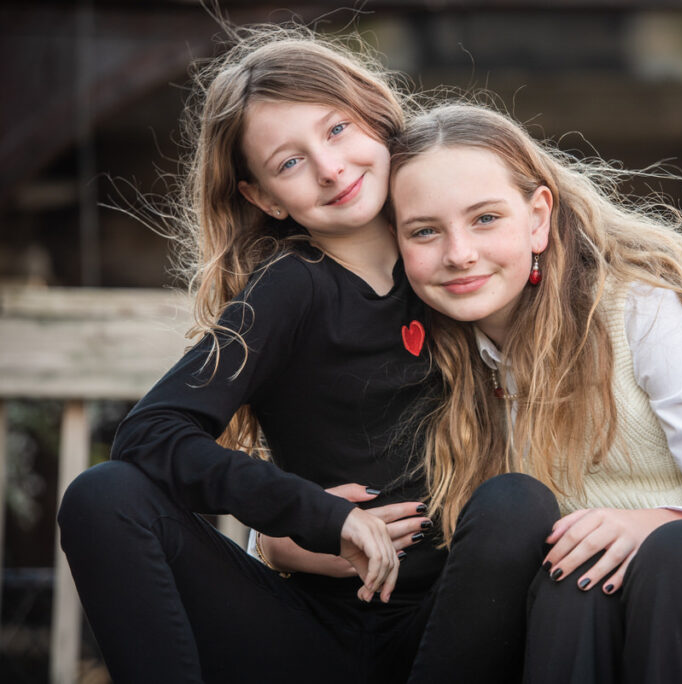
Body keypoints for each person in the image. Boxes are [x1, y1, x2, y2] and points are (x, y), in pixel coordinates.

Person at [56, 28, 562, 684]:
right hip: (309, 631)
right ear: (263, 197)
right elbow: (151, 434)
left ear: (378, 121)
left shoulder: (458, 252)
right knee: (102, 494)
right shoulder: (290, 288)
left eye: (337, 130)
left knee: (517, 503)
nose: (330, 168)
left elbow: (602, 272)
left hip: (453, 627)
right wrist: (316, 517)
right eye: (289, 163)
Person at [388, 103, 682, 683]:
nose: (459, 252)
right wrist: (282, 543)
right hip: (624, 614)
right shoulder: (430, 352)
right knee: (570, 585)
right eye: (424, 231)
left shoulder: (642, 307)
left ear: (538, 217)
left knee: (679, 553)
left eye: (486, 219)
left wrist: (647, 522)